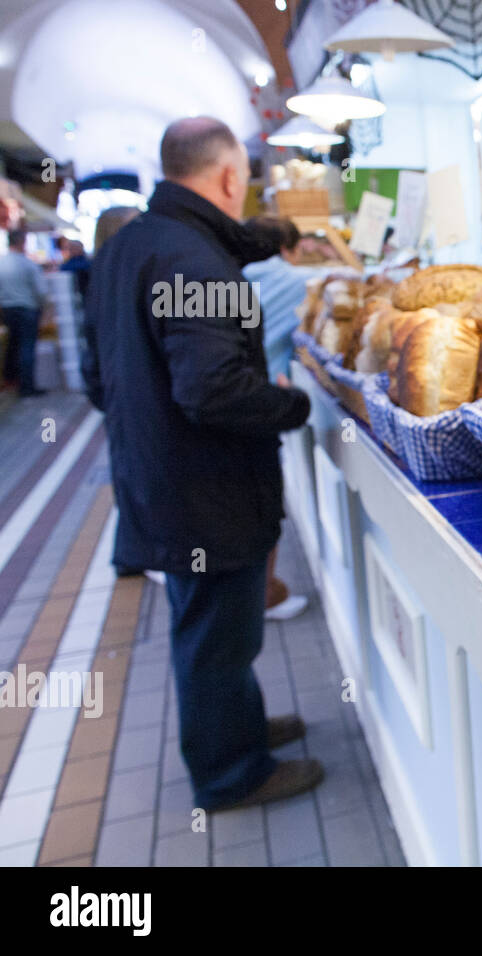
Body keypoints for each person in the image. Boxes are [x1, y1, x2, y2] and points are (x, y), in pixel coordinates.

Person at [82, 116, 324, 811]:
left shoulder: (130, 245)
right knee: (219, 635)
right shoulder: (195, 263)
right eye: (243, 184)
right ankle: (230, 773)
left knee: (214, 628)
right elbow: (211, 388)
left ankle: (238, 730)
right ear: (226, 177)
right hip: (204, 494)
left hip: (156, 478)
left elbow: (95, 377)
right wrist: (290, 405)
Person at [242, 215, 310, 622]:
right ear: (287, 247)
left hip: (233, 403)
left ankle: (258, 592)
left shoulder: (226, 279)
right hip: (268, 400)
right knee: (266, 503)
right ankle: (266, 593)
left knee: (246, 503)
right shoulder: (294, 281)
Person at [0, 227, 50, 396]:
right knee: (26, 346)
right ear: (22, 242)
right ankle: (26, 386)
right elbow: (41, 292)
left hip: (7, 309)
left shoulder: (2, 263)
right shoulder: (27, 264)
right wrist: (44, 307)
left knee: (12, 345)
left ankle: (10, 380)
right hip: (27, 308)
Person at [59, 238, 92, 304]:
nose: (71, 250)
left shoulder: (87, 262)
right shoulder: (67, 264)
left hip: (87, 294)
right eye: (71, 248)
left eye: (74, 248)